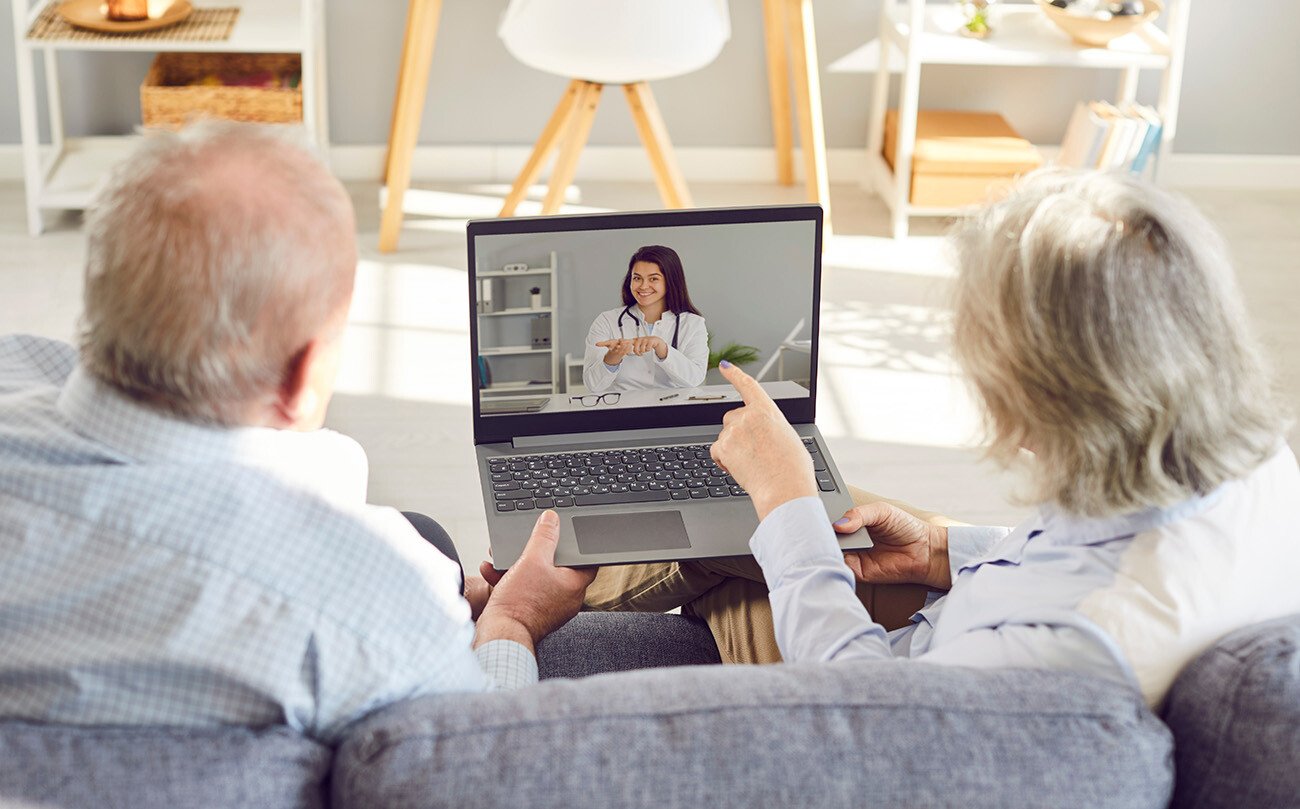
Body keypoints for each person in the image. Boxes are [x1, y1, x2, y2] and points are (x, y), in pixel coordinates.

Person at [585, 169, 1300, 708]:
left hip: (871, 686)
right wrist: (940, 552)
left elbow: (874, 710)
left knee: (746, 527)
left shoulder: (1082, 646)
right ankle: (543, 583)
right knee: (770, 506)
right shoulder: (1249, 458)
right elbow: (1080, 555)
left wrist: (782, 502)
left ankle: (517, 611)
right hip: (953, 609)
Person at [0, 122, 594, 744]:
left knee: (428, 539)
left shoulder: (21, 367)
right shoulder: (353, 608)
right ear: (302, 375)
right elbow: (475, 760)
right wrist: (514, 617)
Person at [583, 245, 708, 394]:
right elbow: (592, 385)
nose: (643, 286)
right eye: (637, 278)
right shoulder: (606, 321)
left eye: (653, 278)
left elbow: (695, 378)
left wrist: (663, 348)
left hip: (673, 411)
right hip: (623, 411)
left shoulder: (693, 324)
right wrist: (613, 357)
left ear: (670, 281)